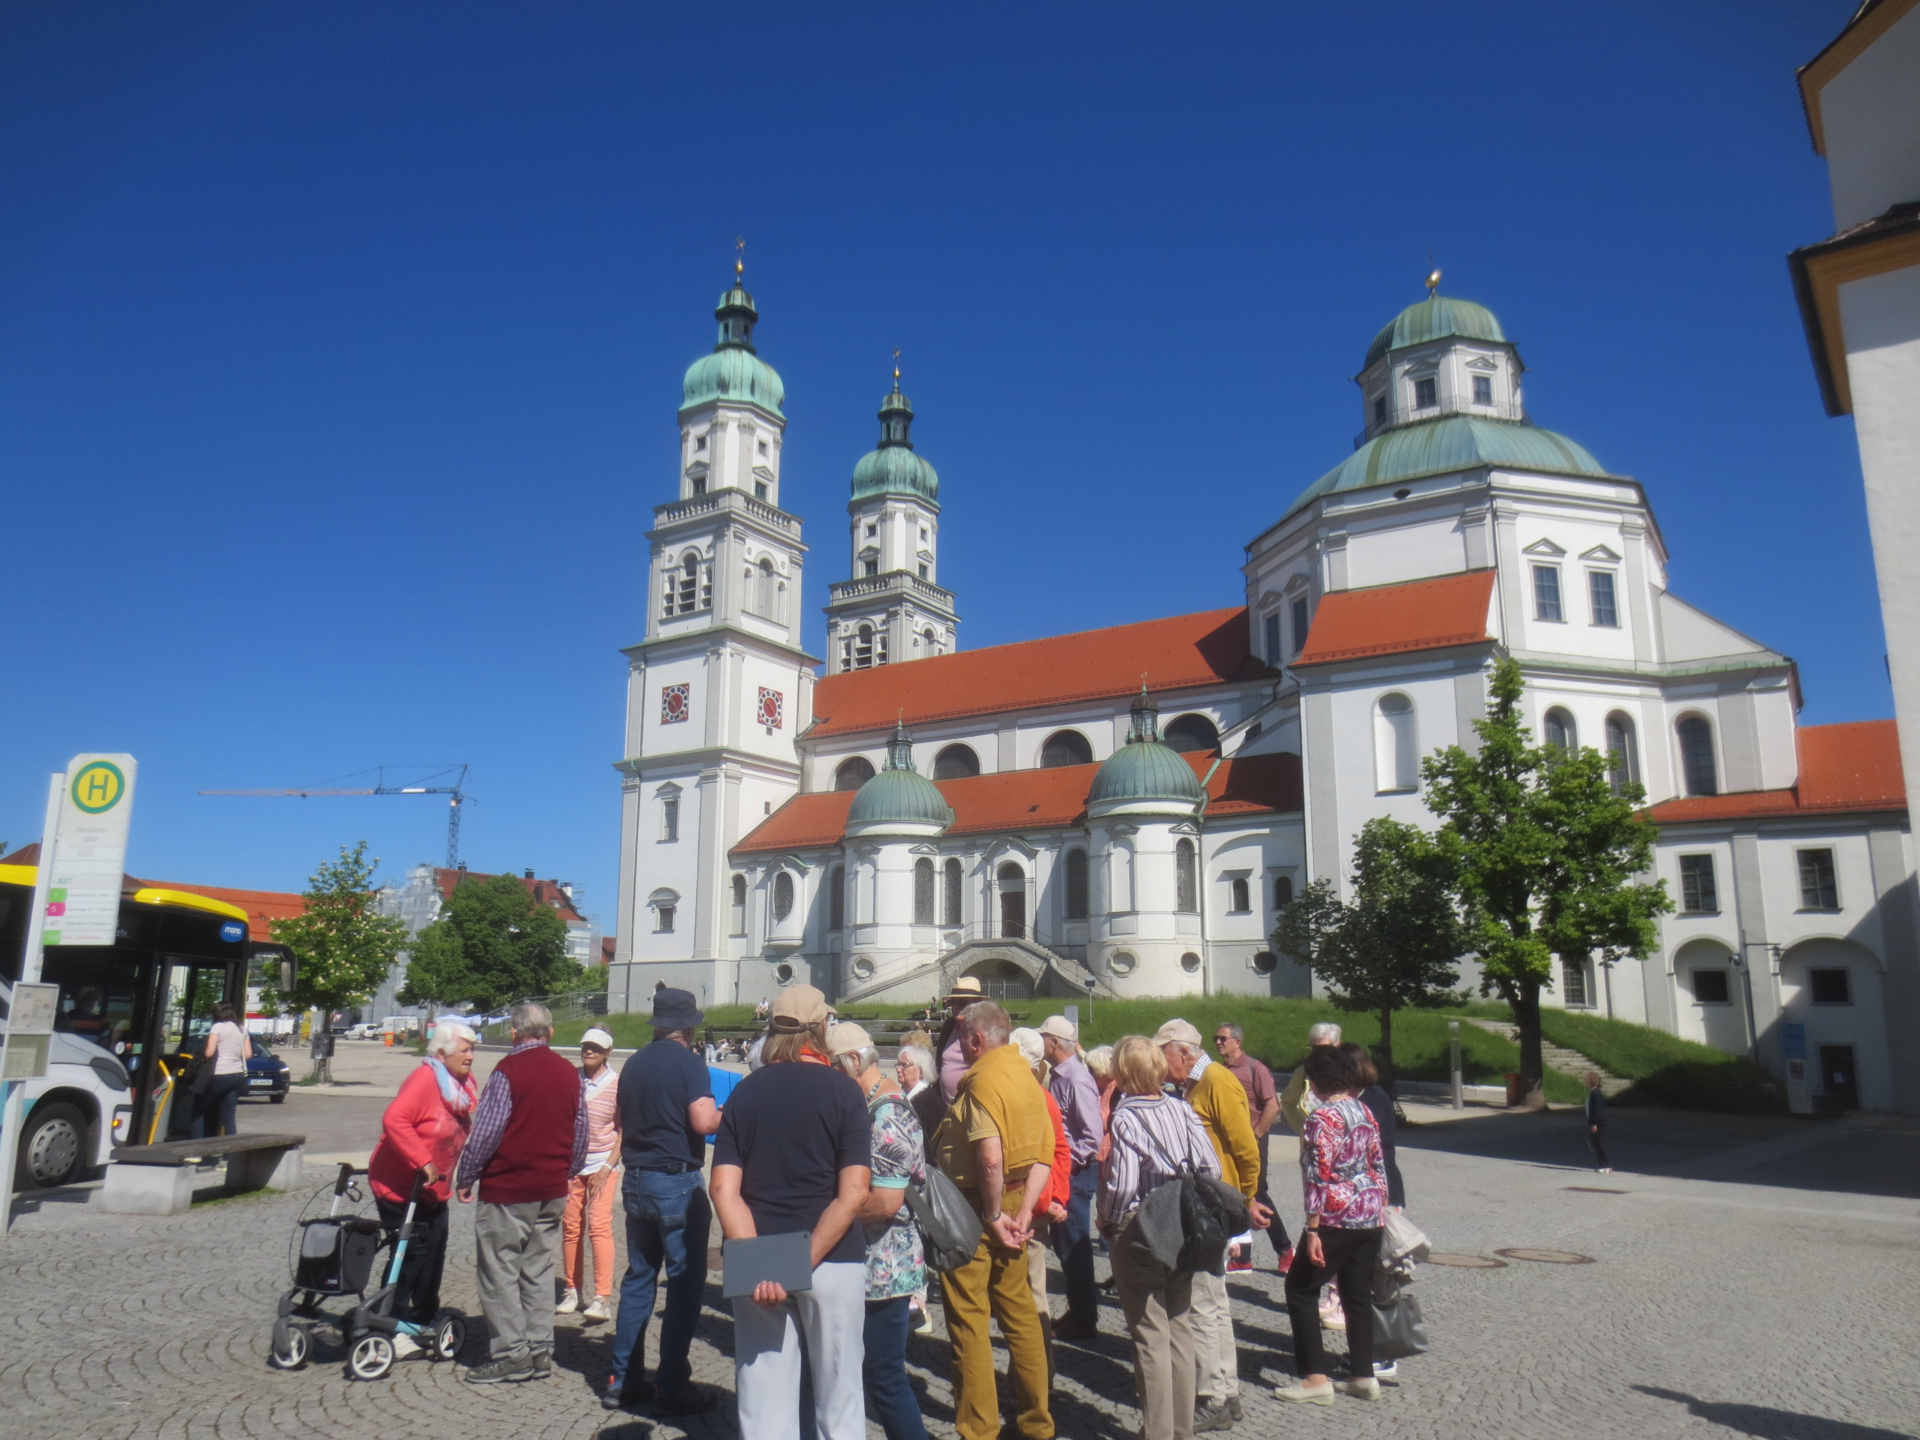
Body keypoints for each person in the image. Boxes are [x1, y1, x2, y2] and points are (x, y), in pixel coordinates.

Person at [711, 985, 872, 1440]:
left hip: (758, 1253)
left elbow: (723, 1189)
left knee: (762, 1402)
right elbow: (855, 1191)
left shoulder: (745, 1092)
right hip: (834, 1257)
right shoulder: (845, 1092)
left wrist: (765, 1266)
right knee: (839, 1400)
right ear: (822, 1030)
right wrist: (797, 1265)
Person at [935, 1001, 1055, 1440]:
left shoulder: (983, 1080)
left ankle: (979, 1430)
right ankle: (1038, 1423)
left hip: (978, 1208)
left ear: (976, 1040)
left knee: (970, 1321)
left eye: (961, 1038)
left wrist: (993, 1214)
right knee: (1021, 1316)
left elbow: (989, 1158)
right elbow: (1045, 1151)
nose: (959, 1047)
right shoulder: (1027, 1077)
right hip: (1018, 1202)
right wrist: (1024, 1212)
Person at [456, 1002, 588, 1384]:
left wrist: (467, 1174)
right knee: (538, 1270)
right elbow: (580, 1129)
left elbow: (488, 1131)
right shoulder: (567, 1072)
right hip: (551, 1187)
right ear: (549, 1033)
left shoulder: (508, 1071)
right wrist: (570, 1169)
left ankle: (512, 1352)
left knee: (498, 1271)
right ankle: (540, 1349)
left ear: (515, 1033)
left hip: (509, 1188)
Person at [604, 988, 722, 1414]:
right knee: (685, 1284)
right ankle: (673, 1385)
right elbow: (703, 1120)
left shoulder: (633, 1064)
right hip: (676, 1180)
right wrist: (729, 1113)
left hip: (634, 1179)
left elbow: (618, 1120)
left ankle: (622, 1379)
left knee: (638, 1279)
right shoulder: (690, 1064)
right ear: (688, 1026)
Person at [1099, 1035, 1221, 1440]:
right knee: (1179, 1326)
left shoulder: (1126, 1117)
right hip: (1184, 1226)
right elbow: (1211, 1168)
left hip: (1144, 1228)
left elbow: (1123, 1182)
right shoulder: (1180, 1108)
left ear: (1122, 1072)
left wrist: (1109, 1219)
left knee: (1150, 1334)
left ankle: (1157, 1433)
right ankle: (1182, 1430)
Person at [1155, 1018, 1268, 1432]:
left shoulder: (1216, 1081)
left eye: (1163, 1055)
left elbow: (1245, 1146)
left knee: (1203, 1302)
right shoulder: (1197, 1083)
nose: (1161, 1065)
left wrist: (1249, 1196)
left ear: (1183, 1052)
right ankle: (1226, 1389)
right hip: (1210, 1204)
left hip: (1214, 1206)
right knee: (1214, 1301)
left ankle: (1212, 1396)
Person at [828, 1022, 930, 1440]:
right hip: (876, 1261)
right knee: (875, 1371)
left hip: (888, 1264)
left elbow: (887, 1202)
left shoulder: (887, 1114)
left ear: (852, 1061)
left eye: (833, 1067)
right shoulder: (871, 1105)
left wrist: (834, 1216)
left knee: (884, 1375)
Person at [1275, 1044, 1387, 1405]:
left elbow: (1316, 1175)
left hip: (1336, 1215)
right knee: (1356, 1295)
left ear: (1316, 1082)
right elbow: (1377, 1163)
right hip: (1369, 1212)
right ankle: (1363, 1374)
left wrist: (1312, 1229)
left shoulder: (1321, 1118)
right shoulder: (1364, 1110)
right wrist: (1379, 1207)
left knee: (1300, 1289)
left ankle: (1315, 1377)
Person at [367, 1018, 479, 1353]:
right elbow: (395, 1119)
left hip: (433, 1190)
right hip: (399, 1186)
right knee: (410, 1252)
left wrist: (465, 1174)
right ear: (442, 1053)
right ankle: (392, 1320)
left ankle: (424, 1314)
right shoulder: (426, 1079)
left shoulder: (463, 1085)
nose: (471, 1056)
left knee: (434, 1252)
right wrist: (422, 1161)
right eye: (465, 1049)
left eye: (472, 1049)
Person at [1343, 1041, 1406, 1382]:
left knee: (1381, 1278)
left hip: (1382, 1195)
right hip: (1372, 1195)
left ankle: (1385, 1354)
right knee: (1367, 1279)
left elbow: (1376, 1153)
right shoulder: (1364, 1097)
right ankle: (1368, 1351)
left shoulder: (1373, 1099)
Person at [1012, 1026, 1072, 1381]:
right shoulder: (1035, 1093)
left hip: (1029, 1212)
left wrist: (1051, 1199)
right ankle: (1027, 1374)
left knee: (1032, 1297)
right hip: (1027, 1209)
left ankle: (1037, 1377)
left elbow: (1057, 1151)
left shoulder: (1036, 1097)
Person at [1038, 1013, 1103, 1340]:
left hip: (1075, 1173)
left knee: (1075, 1244)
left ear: (1053, 1043)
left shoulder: (1075, 1078)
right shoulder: (1062, 1074)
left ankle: (1085, 1317)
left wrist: (1066, 1161)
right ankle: (1080, 1311)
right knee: (1066, 1243)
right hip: (1068, 1171)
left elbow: (1092, 1135)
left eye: (1043, 1039)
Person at [1281, 1021, 1345, 1325]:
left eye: (1324, 1047)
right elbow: (1289, 1102)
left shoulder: (1346, 1070)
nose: (1318, 1053)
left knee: (1337, 1227)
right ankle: (1331, 1291)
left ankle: (1338, 1294)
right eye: (1315, 1047)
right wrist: (1304, 1128)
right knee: (1321, 1219)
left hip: (1344, 1162)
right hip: (1314, 1155)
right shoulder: (1303, 1072)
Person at [559, 1027, 622, 1323]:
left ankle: (602, 1296)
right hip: (573, 1165)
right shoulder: (571, 1080)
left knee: (598, 1225)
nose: (588, 1051)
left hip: (602, 1165)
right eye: (585, 1046)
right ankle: (572, 1289)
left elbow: (623, 1130)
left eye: (595, 1047)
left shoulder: (616, 1084)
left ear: (607, 1052)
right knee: (571, 1227)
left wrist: (608, 1166)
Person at [1212, 1023, 1284, 1272]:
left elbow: (1273, 1106)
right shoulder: (1219, 1071)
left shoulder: (1255, 1068)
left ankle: (1284, 1249)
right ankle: (1242, 1255)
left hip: (1253, 1139)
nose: (1218, 1043)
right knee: (1236, 1193)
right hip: (1231, 1141)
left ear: (1237, 1041)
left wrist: (1256, 1134)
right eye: (1216, 1039)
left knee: (1257, 1192)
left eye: (1223, 1038)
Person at [894, 1040, 941, 1333]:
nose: (898, 1070)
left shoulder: (925, 1101)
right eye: (898, 1064)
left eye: (904, 1065)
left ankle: (919, 1307)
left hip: (923, 1180)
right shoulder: (909, 1097)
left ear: (920, 1070)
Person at [194, 1001, 252, 1139]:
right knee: (229, 1116)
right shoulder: (242, 1029)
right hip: (237, 1076)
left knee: (198, 1110)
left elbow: (209, 1052)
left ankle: (197, 1149)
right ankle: (230, 1153)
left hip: (220, 1074)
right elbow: (248, 1054)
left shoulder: (217, 1027)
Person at [934, 976, 986, 1103]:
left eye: (962, 1002)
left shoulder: (983, 1031)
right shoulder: (949, 1026)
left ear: (977, 1004)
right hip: (945, 1106)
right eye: (953, 1002)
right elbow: (940, 1062)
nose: (956, 1007)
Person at [1086, 1044, 1116, 1163]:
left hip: (1108, 1153)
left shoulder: (1116, 1090)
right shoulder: (1100, 1089)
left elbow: (1105, 1121)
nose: (1089, 1074)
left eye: (1092, 1070)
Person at [1585, 1070, 1612, 1174]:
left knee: (1598, 1144)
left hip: (1598, 1123)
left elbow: (1596, 1110)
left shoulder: (1595, 1093)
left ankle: (1606, 1165)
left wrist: (1593, 1123)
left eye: (1587, 1080)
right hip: (1598, 1122)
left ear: (1590, 1081)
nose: (1585, 1082)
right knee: (1597, 1144)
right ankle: (1603, 1165)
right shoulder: (1595, 1092)